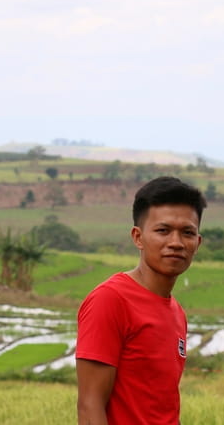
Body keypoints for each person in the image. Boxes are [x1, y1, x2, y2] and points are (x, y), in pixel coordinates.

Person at [76, 176, 207, 425]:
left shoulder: (177, 312)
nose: (176, 243)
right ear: (138, 237)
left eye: (187, 233)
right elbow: (89, 405)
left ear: (197, 243)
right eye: (163, 231)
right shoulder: (110, 300)